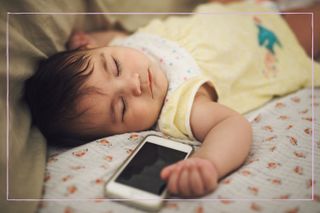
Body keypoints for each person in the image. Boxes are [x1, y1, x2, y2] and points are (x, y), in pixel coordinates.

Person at [24, 1, 319, 197]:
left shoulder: (121, 48)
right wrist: (210, 162)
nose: (133, 83)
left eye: (114, 66)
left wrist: (94, 38)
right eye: (123, 106)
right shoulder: (179, 105)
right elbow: (232, 125)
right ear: (124, 133)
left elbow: (115, 36)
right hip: (273, 40)